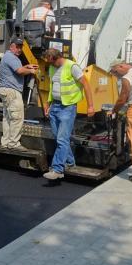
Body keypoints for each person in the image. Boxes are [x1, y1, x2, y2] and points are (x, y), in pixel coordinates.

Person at [43, 48, 94, 180]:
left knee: (61, 139)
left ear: (56, 58)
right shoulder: (52, 68)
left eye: (50, 62)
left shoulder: (72, 67)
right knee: (59, 138)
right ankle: (70, 162)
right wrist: (47, 104)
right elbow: (51, 88)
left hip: (68, 108)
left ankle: (57, 169)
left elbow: (86, 85)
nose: (49, 64)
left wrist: (90, 106)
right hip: (55, 106)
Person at [0, 37, 38, 150]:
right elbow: (19, 71)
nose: (19, 49)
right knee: (17, 118)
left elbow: (18, 69)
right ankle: (14, 144)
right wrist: (31, 71)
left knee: (8, 118)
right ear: (11, 46)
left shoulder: (7, 56)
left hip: (5, 90)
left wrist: (26, 66)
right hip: (12, 91)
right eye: (17, 47)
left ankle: (6, 142)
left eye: (21, 47)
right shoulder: (12, 57)